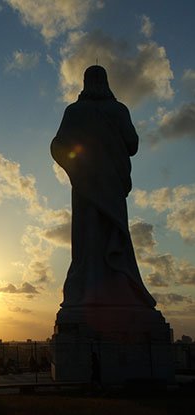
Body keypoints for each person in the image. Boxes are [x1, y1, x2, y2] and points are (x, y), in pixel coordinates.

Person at [51, 65, 156, 309]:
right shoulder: (118, 110)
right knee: (113, 234)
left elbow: (58, 144)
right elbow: (132, 144)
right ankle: (118, 290)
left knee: (88, 240)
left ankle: (89, 291)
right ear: (106, 82)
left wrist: (77, 165)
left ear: (85, 82)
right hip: (110, 185)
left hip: (86, 187)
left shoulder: (74, 111)